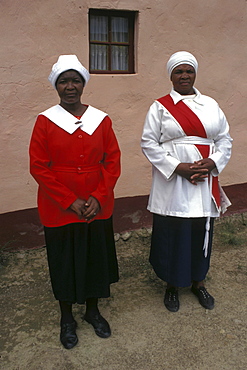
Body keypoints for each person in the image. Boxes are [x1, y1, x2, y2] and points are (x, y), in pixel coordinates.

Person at [29, 55, 121, 349]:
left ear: (83, 84)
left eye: (75, 80)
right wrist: (69, 200)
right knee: (64, 261)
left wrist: (98, 196)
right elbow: (39, 166)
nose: (70, 86)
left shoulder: (101, 120)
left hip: (97, 204)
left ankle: (92, 310)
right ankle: (66, 316)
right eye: (64, 81)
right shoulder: (45, 121)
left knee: (95, 257)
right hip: (59, 205)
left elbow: (113, 161)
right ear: (56, 86)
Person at [141, 51, 232, 312]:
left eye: (188, 71)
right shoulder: (159, 107)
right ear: (170, 75)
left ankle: (198, 282)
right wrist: (177, 167)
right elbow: (148, 142)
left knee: (200, 229)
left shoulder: (212, 104)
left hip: (204, 178)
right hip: (174, 180)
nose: (184, 76)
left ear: (195, 74)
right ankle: (172, 285)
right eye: (178, 71)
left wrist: (213, 162)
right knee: (173, 230)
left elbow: (225, 139)